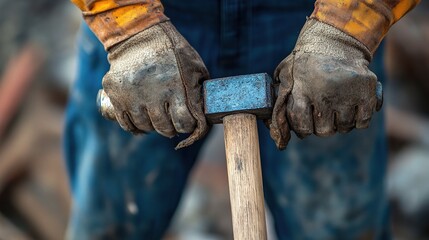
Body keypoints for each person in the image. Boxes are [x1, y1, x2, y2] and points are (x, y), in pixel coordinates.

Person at [65, 0, 419, 239]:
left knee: (338, 228)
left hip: (316, 20)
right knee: (110, 223)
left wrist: (349, 28)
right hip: (153, 21)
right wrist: (130, 28)